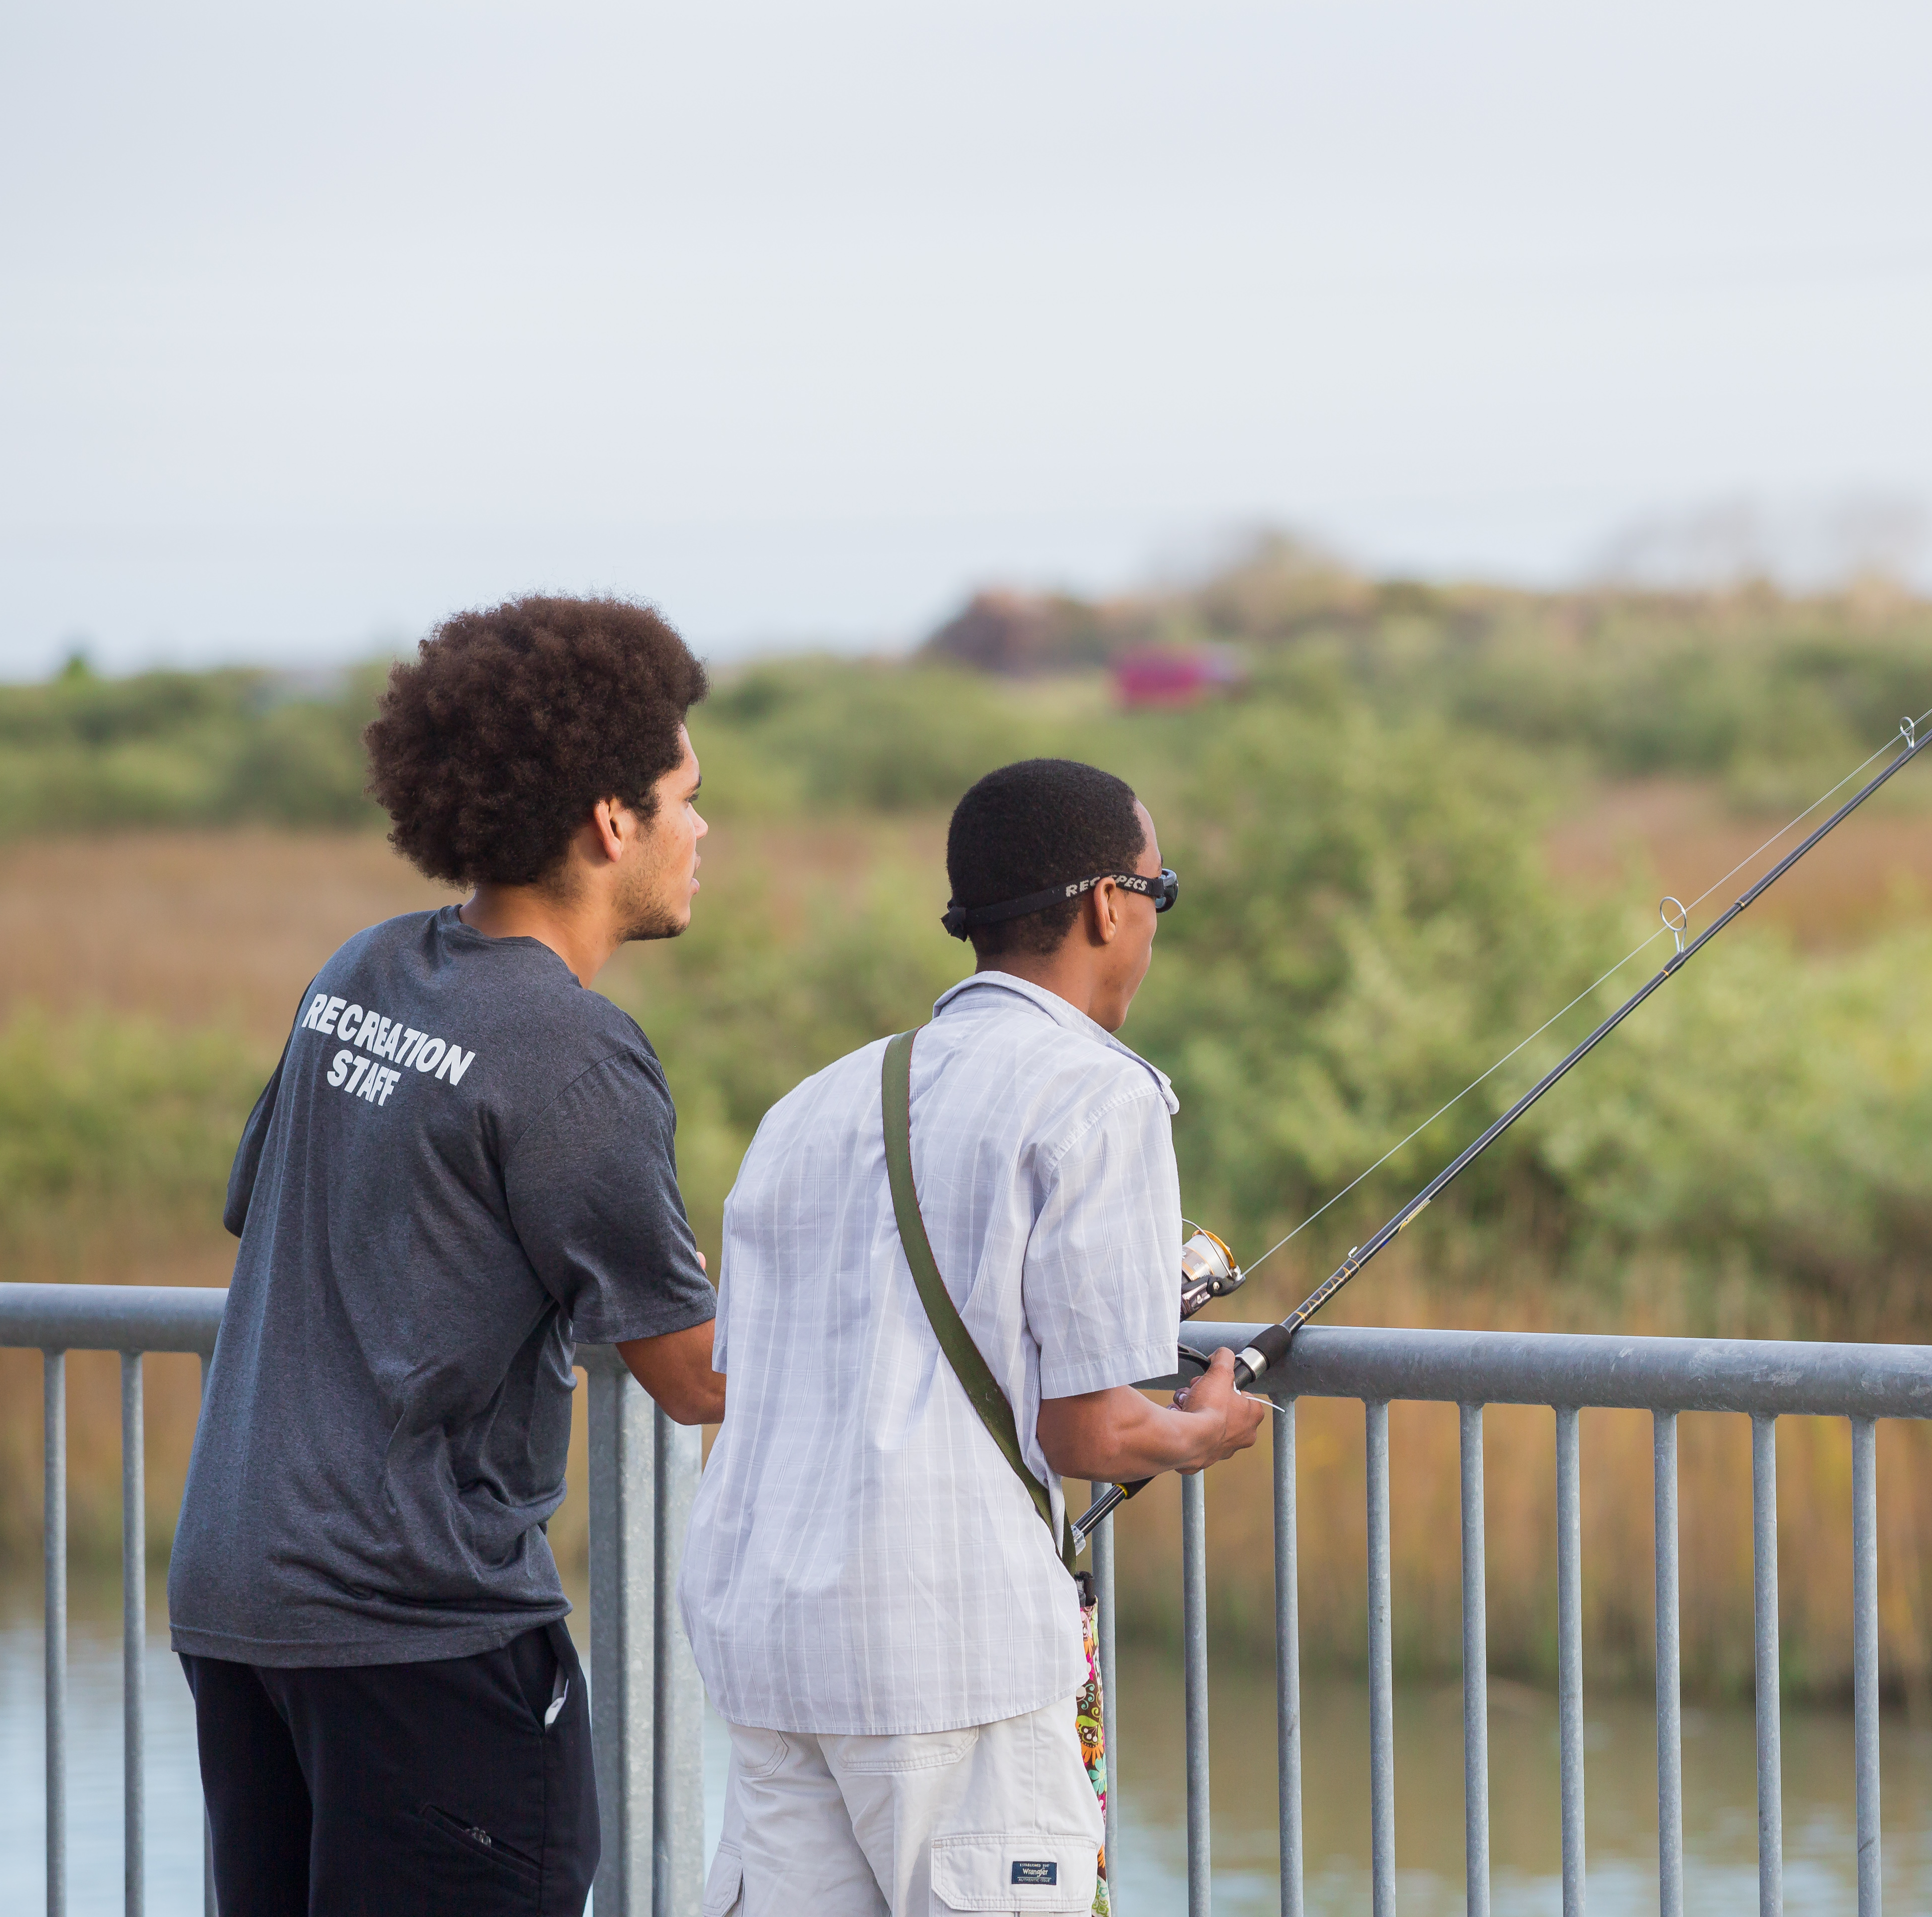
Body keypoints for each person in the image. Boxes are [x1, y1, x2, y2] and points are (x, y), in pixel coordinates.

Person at [168, 595, 727, 1916]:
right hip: (414, 1622)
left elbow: (310, 1231)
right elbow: (699, 1374)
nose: (706, 831)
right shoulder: (570, 1050)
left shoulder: (359, 974)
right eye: (688, 796)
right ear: (610, 822)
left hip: (242, 1599)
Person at [681, 756, 1268, 1917]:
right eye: (1162, 892)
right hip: (949, 1660)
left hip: (769, 1647)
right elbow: (1091, 1429)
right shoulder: (1097, 1093)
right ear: (1111, 903)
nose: (1152, 921)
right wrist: (1205, 1430)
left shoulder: (811, 1104)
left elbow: (743, 1376)